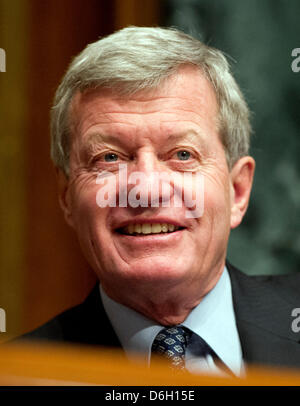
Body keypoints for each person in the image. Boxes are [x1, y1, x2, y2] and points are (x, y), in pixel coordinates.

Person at [19, 26, 300, 376]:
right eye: (109, 158)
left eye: (182, 154)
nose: (146, 190)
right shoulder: (24, 373)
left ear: (237, 192)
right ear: (67, 198)